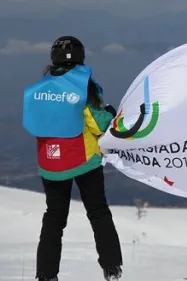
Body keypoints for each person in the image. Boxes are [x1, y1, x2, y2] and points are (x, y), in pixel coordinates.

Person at [22, 36, 123, 281]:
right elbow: (98, 124)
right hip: (83, 160)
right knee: (98, 212)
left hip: (50, 163)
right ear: (80, 58)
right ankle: (111, 268)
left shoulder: (38, 90)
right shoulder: (82, 86)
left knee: (54, 218)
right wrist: (110, 113)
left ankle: (46, 274)